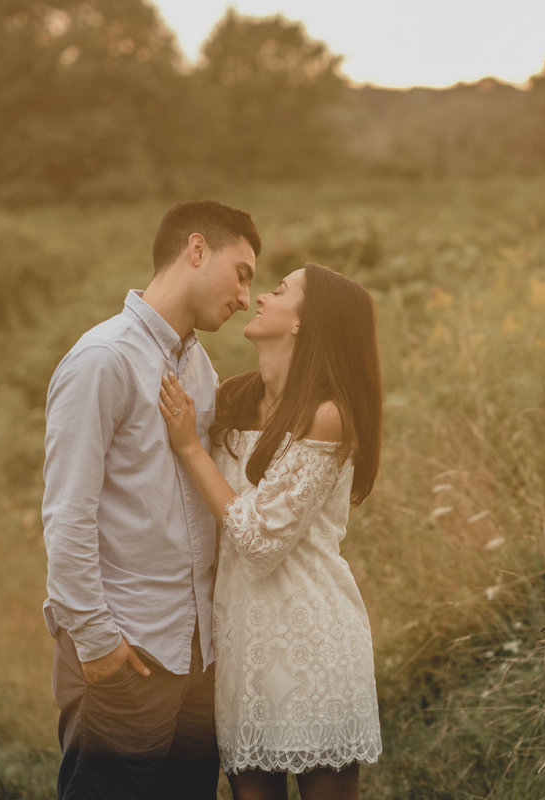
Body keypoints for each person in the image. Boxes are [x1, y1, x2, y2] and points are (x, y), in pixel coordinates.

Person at [42, 200, 261, 800]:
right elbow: (67, 512)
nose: (246, 297)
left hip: (196, 652)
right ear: (196, 250)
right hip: (129, 647)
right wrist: (96, 639)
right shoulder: (103, 359)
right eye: (241, 273)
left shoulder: (197, 362)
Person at [157, 261, 383, 800]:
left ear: (305, 322)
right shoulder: (232, 399)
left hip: (313, 641)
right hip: (244, 646)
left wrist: (190, 447)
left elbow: (258, 541)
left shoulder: (327, 416)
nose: (260, 297)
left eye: (280, 290)